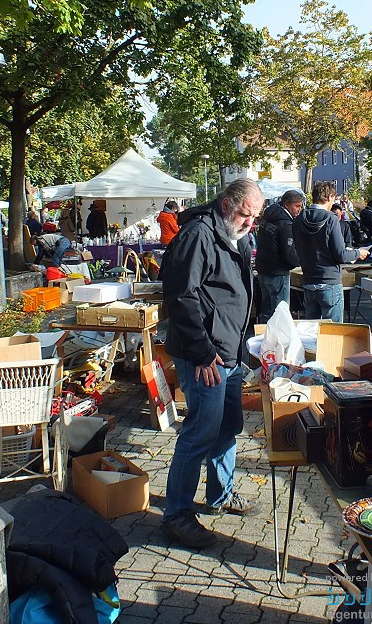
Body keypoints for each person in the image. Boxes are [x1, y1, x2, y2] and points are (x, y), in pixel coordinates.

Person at [160, 178, 264, 548]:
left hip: (228, 349)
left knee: (227, 426)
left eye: (255, 217)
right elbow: (181, 297)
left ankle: (220, 494)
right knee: (200, 432)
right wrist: (203, 352)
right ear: (225, 205)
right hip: (205, 354)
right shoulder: (198, 235)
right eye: (245, 215)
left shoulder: (239, 234)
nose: (250, 223)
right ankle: (177, 514)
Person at [293, 181, 369, 322]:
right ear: (329, 197)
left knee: (311, 332)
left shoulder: (299, 220)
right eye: (333, 199)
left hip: (309, 280)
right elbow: (340, 254)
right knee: (333, 333)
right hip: (329, 281)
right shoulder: (331, 219)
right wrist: (359, 253)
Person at [255, 190, 303, 323]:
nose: (299, 210)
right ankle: (278, 342)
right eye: (297, 206)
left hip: (263, 270)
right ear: (287, 204)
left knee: (267, 311)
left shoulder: (268, 217)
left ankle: (264, 338)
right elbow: (289, 254)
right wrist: (300, 262)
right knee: (280, 314)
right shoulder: (285, 224)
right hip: (278, 272)